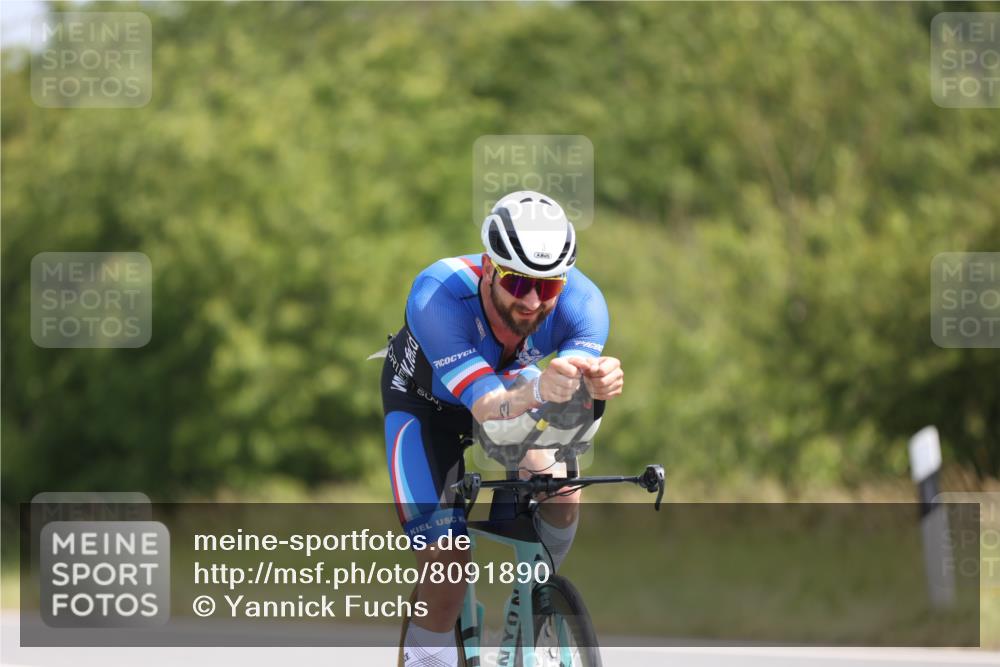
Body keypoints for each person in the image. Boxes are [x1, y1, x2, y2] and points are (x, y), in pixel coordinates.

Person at [381, 191, 624, 667]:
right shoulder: (438, 295)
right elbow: (490, 405)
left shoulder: (584, 305)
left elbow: (566, 426)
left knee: (561, 489)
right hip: (425, 404)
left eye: (548, 287)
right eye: (517, 283)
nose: (532, 302)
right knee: (447, 570)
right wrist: (540, 392)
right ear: (490, 267)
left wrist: (594, 393)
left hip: (512, 386)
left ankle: (532, 610)